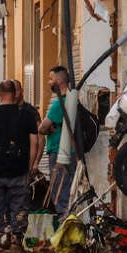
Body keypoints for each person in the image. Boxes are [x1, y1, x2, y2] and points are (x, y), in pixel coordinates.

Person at [0, 79, 39, 250]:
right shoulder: (26, 115)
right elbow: (34, 143)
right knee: (19, 208)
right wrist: (30, 166)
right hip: (19, 171)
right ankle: (16, 241)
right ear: (15, 93)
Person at [38, 65, 76, 217]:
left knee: (59, 190)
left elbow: (42, 128)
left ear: (59, 80)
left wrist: (49, 127)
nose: (49, 82)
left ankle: (63, 221)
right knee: (67, 188)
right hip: (71, 152)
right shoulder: (73, 99)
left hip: (59, 152)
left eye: (51, 78)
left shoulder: (58, 104)